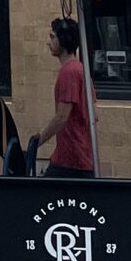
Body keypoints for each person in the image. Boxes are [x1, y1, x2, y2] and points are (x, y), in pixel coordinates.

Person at [37, 16, 95, 178]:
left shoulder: (68, 72)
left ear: (63, 39)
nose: (49, 42)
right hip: (80, 155)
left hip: (70, 158)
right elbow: (94, 115)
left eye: (52, 37)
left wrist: (37, 141)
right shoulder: (81, 70)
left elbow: (62, 116)